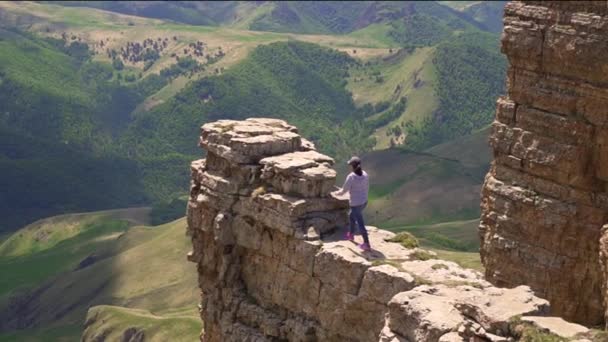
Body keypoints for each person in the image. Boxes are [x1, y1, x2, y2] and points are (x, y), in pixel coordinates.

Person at [333, 156, 370, 251]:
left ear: (352, 166)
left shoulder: (351, 177)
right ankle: (351, 234)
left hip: (356, 204)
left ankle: (366, 243)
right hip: (364, 201)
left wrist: (334, 193)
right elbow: (366, 187)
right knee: (351, 216)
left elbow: (344, 191)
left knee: (360, 223)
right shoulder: (365, 174)